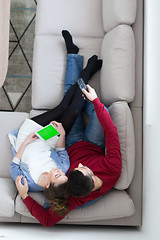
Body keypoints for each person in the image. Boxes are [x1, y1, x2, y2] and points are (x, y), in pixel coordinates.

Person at [15, 71, 122, 226]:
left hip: (70, 142)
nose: (78, 164)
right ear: (92, 178)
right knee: (103, 110)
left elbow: (46, 220)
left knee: (72, 107)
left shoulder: (72, 191)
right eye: (83, 168)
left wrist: (25, 195)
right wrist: (96, 101)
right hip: (94, 143)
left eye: (75, 169)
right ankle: (86, 95)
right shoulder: (113, 169)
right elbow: (111, 132)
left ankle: (75, 61)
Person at [9, 30, 102, 197]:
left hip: (30, 137)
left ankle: (85, 69)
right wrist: (61, 133)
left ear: (47, 184)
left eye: (57, 175)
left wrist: (25, 143)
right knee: (71, 109)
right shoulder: (64, 168)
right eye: (63, 175)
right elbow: (60, 149)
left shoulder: (29, 182)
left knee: (62, 108)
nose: (60, 170)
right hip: (48, 138)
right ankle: (86, 72)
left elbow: (14, 166)